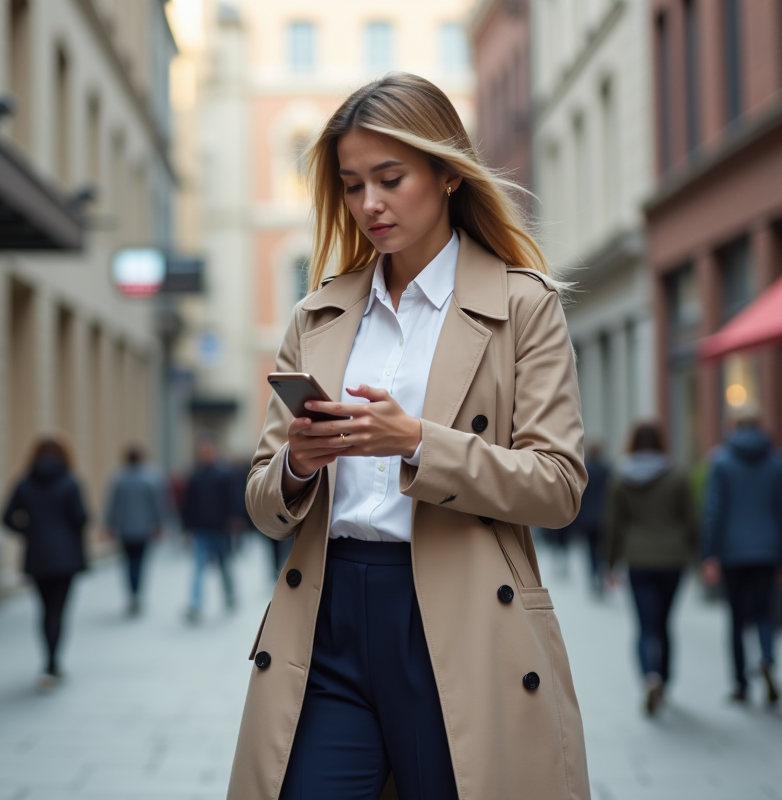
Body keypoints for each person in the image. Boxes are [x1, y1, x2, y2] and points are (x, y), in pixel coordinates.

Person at [230, 73, 590, 800]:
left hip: (455, 617)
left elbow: (558, 487)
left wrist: (418, 441)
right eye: (353, 183)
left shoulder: (523, 308)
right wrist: (297, 465)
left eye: (390, 179)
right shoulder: (317, 317)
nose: (370, 205)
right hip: (325, 620)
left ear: (448, 172)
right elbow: (263, 504)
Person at [701, 414, 782, 706]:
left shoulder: (721, 461)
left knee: (737, 619)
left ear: (733, 429)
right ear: (762, 427)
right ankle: (766, 659)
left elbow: (714, 510)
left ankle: (741, 685)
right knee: (765, 612)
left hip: (732, 552)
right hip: (768, 550)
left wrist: (709, 554)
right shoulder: (778, 461)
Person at [603, 423, 696, 716]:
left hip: (638, 559)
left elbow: (614, 525)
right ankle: (664, 682)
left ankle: (649, 677)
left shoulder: (622, 477)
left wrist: (609, 563)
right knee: (665, 624)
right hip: (672, 559)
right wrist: (694, 552)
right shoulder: (678, 475)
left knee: (645, 626)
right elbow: (691, 519)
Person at [2, 436, 88, 688]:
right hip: (66, 558)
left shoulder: (25, 483)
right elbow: (81, 517)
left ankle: (48, 663)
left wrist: (29, 530)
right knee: (58, 611)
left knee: (44, 610)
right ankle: (53, 663)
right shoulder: (70, 482)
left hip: (37, 556)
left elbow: (6, 518)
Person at [103, 444, 168, 616]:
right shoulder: (152, 477)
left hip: (125, 529)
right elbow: (158, 504)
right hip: (144, 528)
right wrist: (160, 524)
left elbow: (112, 504)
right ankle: (137, 594)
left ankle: (132, 594)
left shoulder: (119, 478)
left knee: (128, 562)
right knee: (140, 562)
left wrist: (109, 525)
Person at [182, 436, 241, 622]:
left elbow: (233, 499)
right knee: (198, 567)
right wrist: (187, 528)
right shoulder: (195, 475)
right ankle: (195, 605)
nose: (205, 453)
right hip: (201, 530)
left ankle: (230, 595)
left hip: (221, 529)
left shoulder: (225, 474)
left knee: (224, 565)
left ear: (215, 451)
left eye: (208, 450)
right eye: (202, 451)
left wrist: (234, 520)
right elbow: (188, 504)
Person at [578, 442, 610, 595]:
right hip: (603, 516)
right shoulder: (606, 470)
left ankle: (593, 576)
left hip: (588, 517)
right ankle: (600, 575)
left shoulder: (586, 470)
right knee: (601, 549)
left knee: (590, 549)